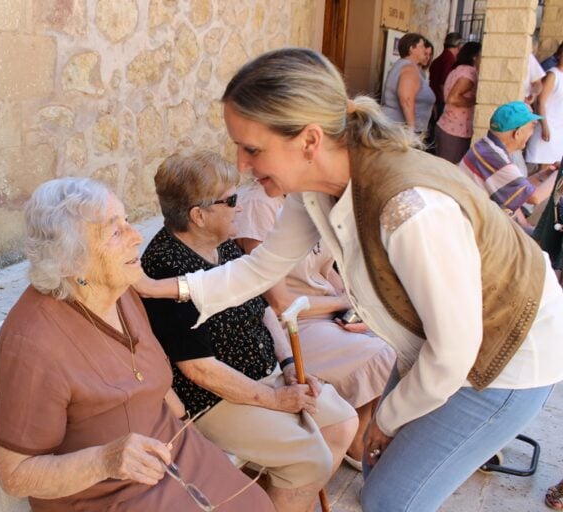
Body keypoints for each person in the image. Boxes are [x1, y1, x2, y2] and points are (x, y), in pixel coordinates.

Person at [136, 47, 563, 512]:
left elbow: (454, 355)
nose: (241, 165)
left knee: (391, 499)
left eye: (252, 149)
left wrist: (386, 420)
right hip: (438, 351)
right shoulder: (316, 188)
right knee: (381, 477)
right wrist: (166, 287)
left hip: (502, 363)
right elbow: (260, 269)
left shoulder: (409, 210)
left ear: (309, 141)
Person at [0, 177, 274, 511]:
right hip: (109, 492)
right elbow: (15, 475)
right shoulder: (34, 343)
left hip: (174, 450)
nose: (137, 236)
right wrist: (104, 460)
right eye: (115, 231)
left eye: (126, 221)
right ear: (72, 261)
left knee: (255, 504)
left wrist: (186, 426)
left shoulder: (122, 290)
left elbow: (146, 368)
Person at [141, 150, 357, 512]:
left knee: (341, 423)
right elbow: (199, 369)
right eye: (231, 200)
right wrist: (273, 400)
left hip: (263, 375)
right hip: (213, 400)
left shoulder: (222, 244)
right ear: (198, 215)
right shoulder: (165, 265)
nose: (240, 207)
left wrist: (287, 363)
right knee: (309, 459)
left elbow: (263, 309)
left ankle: (279, 500)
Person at [234, 180, 396, 470]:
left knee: (394, 337)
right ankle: (358, 437)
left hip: (323, 309)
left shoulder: (306, 197)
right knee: (382, 353)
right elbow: (279, 302)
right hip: (290, 323)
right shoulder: (260, 205)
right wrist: (343, 303)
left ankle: (365, 425)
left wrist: (357, 305)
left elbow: (323, 271)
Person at [459, 101, 558, 231]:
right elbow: (534, 198)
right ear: (517, 133)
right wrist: (559, 173)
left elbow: (516, 188)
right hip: (477, 226)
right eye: (531, 128)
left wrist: (544, 175)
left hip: (478, 218)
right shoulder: (495, 157)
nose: (531, 134)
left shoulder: (487, 146)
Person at [381, 32, 436, 136]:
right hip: (401, 131)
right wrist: (411, 132)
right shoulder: (409, 68)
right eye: (422, 46)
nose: (425, 50)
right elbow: (406, 100)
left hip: (395, 128)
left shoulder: (402, 65)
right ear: (411, 49)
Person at [435, 41, 481, 163]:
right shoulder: (469, 72)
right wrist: (476, 101)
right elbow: (453, 98)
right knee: (450, 171)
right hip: (456, 131)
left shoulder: (458, 69)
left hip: (447, 126)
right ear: (474, 57)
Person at [526, 55, 563, 168]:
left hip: (558, 128)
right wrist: (544, 126)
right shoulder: (552, 75)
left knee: (553, 167)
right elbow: (540, 102)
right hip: (547, 126)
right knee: (543, 168)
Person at [429, 32, 463, 121]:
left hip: (434, 99)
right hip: (440, 101)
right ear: (459, 45)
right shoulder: (449, 59)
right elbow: (443, 84)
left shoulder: (439, 59)